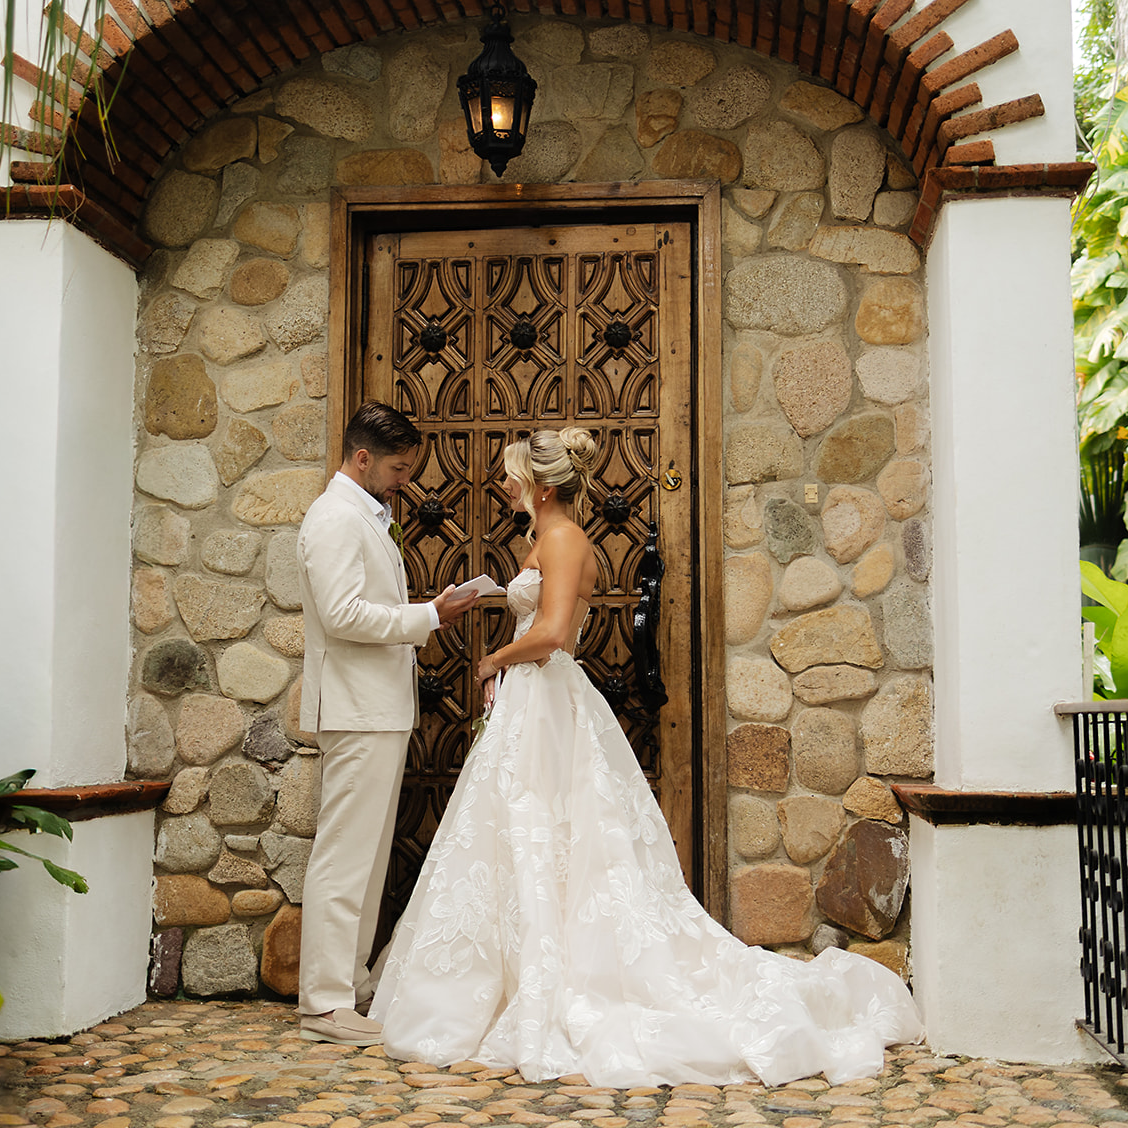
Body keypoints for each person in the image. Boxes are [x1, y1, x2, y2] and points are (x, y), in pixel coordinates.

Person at [369, 427, 924, 1087]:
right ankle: (510, 970)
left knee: (547, 825)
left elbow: (548, 634)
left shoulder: (564, 538)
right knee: (522, 831)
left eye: (511, 475)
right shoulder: (541, 540)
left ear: (542, 487)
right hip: (532, 703)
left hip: (546, 694)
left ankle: (554, 973)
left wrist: (493, 657)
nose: (503, 484)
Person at [295, 402, 477, 1047]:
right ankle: (321, 1001)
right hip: (354, 707)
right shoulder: (334, 519)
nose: (406, 480)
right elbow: (343, 615)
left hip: (377, 706)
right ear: (362, 457)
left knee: (368, 858)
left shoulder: (366, 515)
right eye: (399, 468)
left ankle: (349, 984)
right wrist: (428, 615)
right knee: (344, 856)